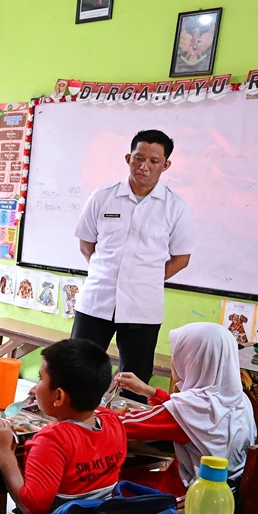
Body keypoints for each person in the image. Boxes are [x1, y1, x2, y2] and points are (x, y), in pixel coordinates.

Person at [72, 129, 195, 392]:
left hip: (143, 308)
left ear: (166, 165)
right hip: (96, 301)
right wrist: (107, 273)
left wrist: (146, 279)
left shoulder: (175, 206)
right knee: (76, 371)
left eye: (153, 161)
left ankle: (126, 432)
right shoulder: (103, 196)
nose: (144, 167)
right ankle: (71, 429)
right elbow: (86, 244)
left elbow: (181, 258)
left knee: (135, 382)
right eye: (138, 158)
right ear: (128, 158)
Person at [0, 338, 126, 514]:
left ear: (59, 396)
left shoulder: (52, 440)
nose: (34, 388)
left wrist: (3, 452)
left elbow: (32, 507)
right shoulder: (112, 422)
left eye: (40, 379)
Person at [118, 323, 256, 490]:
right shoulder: (239, 399)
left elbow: (120, 425)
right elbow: (190, 417)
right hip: (225, 492)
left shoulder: (190, 408)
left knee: (111, 482)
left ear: (192, 360)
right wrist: (152, 392)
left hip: (186, 496)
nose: (172, 360)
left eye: (177, 354)